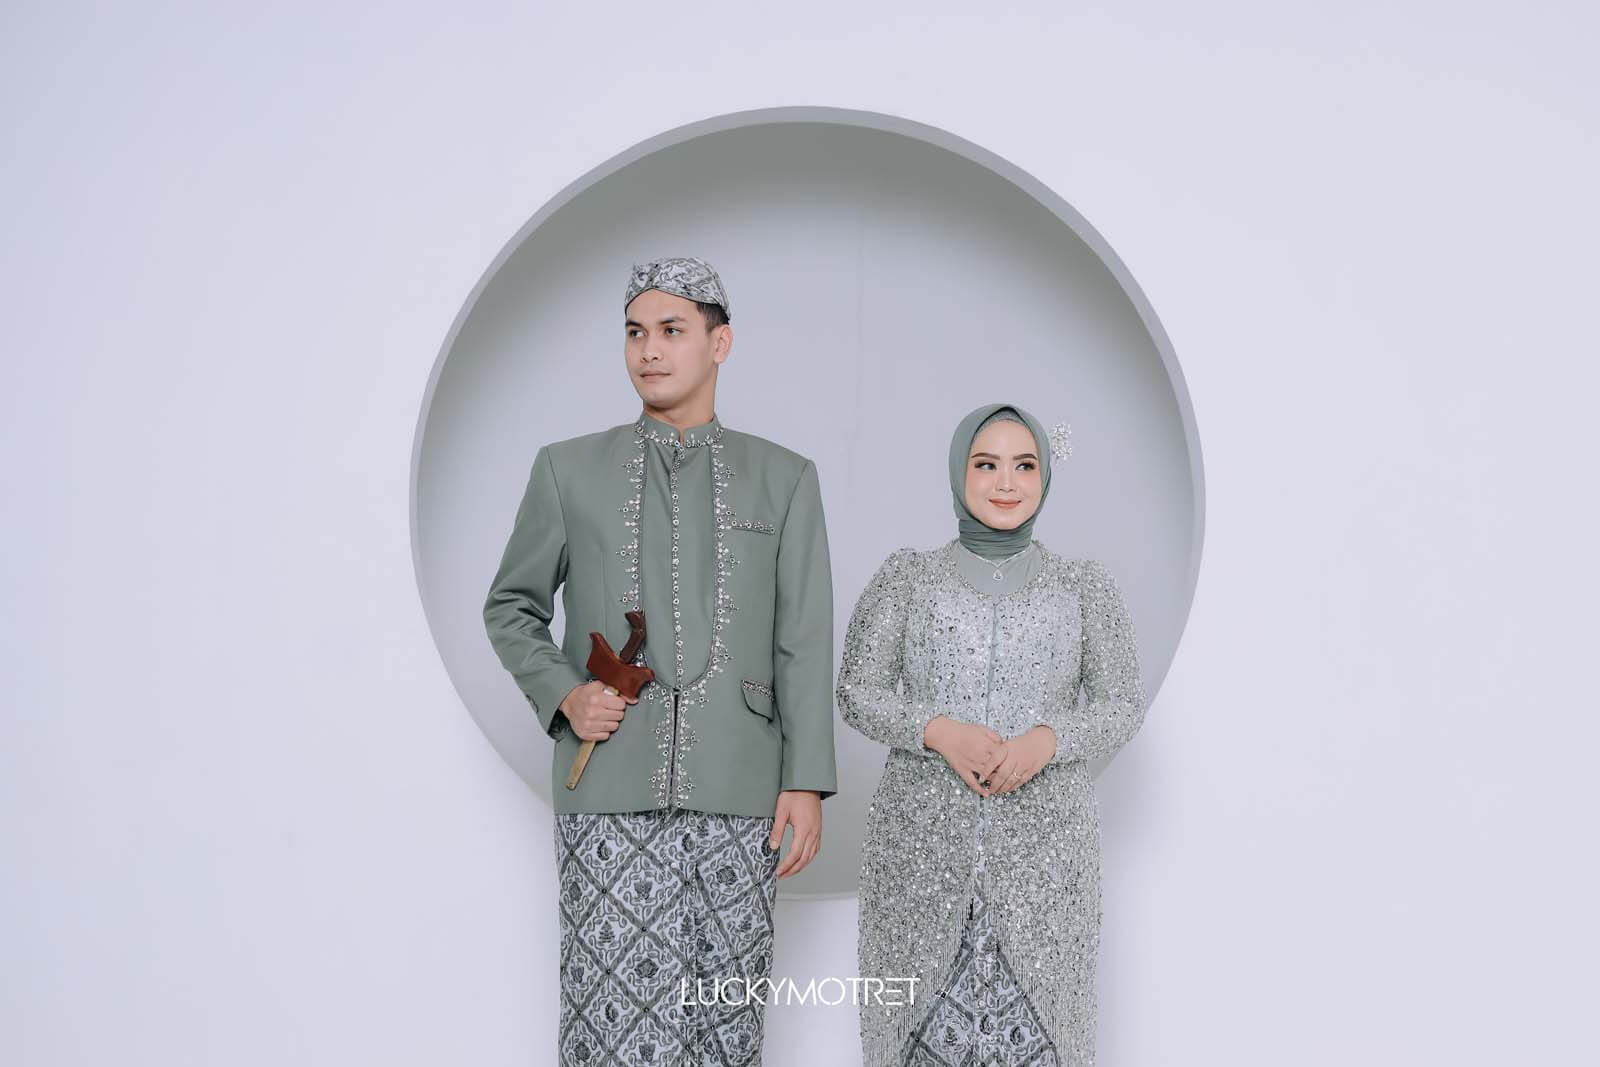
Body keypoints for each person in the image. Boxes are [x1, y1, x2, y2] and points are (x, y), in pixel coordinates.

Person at [482, 256, 838, 1066]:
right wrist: (565, 694)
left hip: (742, 791)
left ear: (720, 343)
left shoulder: (784, 479)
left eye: (672, 330)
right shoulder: (567, 469)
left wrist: (806, 780)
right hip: (609, 791)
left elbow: (804, 637)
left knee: (726, 1031)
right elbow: (510, 605)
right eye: (635, 332)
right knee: (612, 1028)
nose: (649, 350)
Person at [837, 402, 1148, 1067]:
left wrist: (1047, 741)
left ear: (1044, 477)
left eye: (1024, 465)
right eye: (986, 464)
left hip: (1047, 863)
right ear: (959, 471)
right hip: (920, 855)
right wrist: (937, 730)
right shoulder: (908, 578)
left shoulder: (1082, 587)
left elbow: (1123, 703)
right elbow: (855, 690)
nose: (1006, 482)